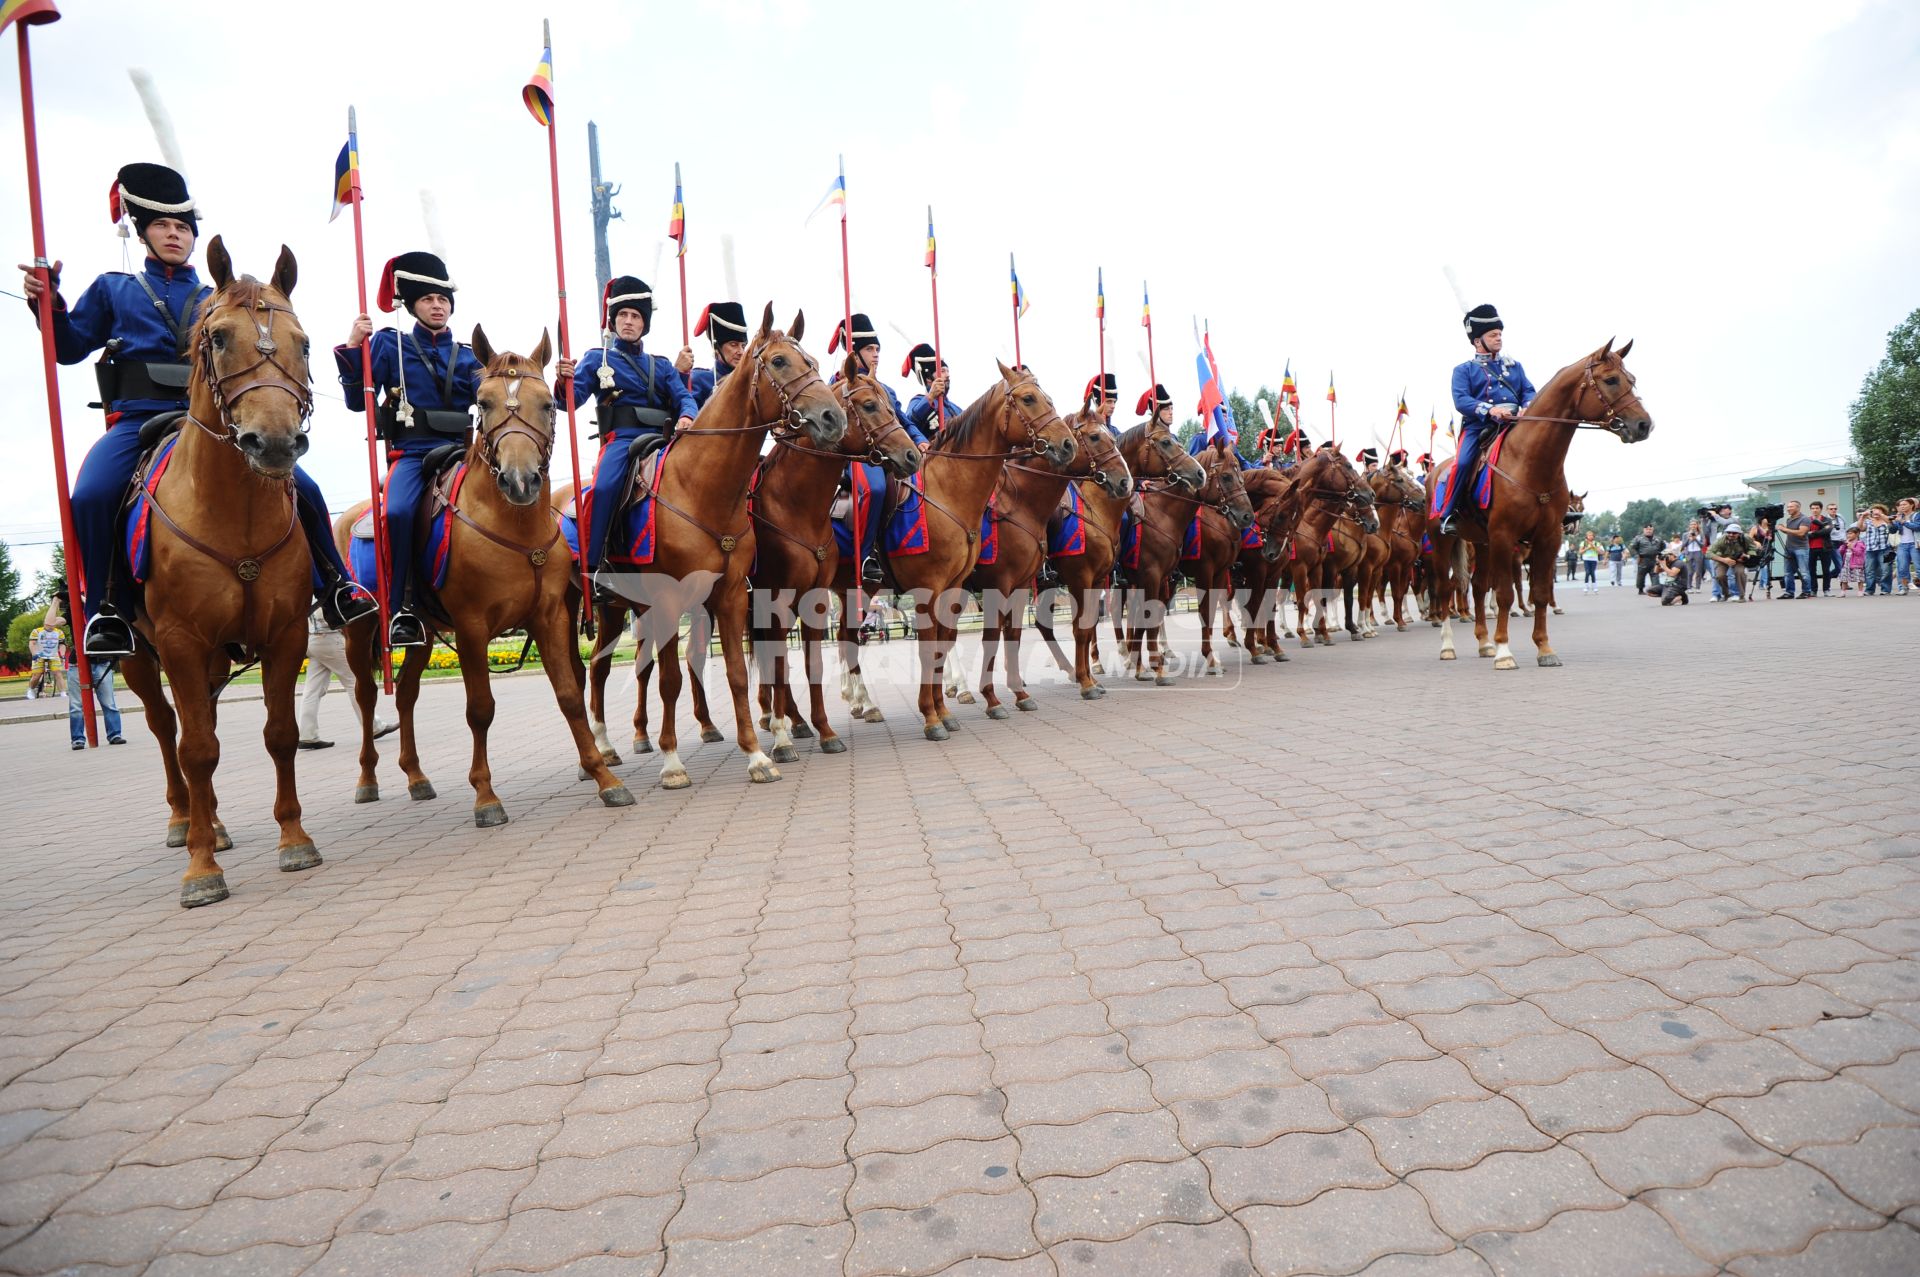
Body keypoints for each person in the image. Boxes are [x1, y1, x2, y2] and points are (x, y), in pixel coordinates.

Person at [24, 163, 373, 658]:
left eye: (183, 228)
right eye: (163, 226)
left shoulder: (220, 300)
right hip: (137, 420)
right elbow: (69, 346)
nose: (174, 235)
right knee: (91, 494)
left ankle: (335, 585)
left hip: (213, 423)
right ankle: (108, 607)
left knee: (306, 487)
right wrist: (49, 305)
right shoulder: (113, 289)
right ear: (143, 231)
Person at [337, 251, 486, 647]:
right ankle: (403, 607)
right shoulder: (389, 345)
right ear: (411, 304)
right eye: (427, 299)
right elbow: (357, 401)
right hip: (414, 456)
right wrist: (355, 347)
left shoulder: (469, 357)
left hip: (461, 454)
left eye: (443, 300)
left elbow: (490, 400)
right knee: (400, 511)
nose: (437, 306)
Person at [549, 276, 698, 590]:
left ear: (645, 324)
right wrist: (564, 381)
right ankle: (595, 564)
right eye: (623, 316)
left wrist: (687, 415)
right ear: (612, 321)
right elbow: (568, 403)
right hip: (623, 441)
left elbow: (684, 397)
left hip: (665, 440)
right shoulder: (596, 359)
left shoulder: (662, 366)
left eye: (636, 316)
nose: (629, 322)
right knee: (604, 488)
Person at [1436, 303, 1536, 534]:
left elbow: (1528, 391)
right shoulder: (1463, 370)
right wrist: (1489, 410)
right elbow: (1461, 400)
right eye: (1493, 335)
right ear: (1477, 341)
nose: (1499, 338)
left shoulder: (1515, 367)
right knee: (1462, 463)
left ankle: (1557, 505)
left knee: (1545, 448)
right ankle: (1449, 512)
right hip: (1479, 427)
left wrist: (1527, 407)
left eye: (1500, 334)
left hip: (1514, 424)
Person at [297, 612, 397, 749]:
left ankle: (307, 735)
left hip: (313, 639)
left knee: (312, 690)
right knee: (355, 682)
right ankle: (373, 726)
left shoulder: (309, 591)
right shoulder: (323, 590)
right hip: (330, 638)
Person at [688, 300, 748, 410]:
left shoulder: (751, 383)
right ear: (717, 347)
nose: (741, 352)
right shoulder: (700, 379)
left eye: (743, 346)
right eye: (733, 345)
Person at [66, 653, 125, 749]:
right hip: (77, 664)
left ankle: (115, 734)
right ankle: (77, 739)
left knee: (109, 703)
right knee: (76, 706)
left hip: (101, 662)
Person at [902, 343, 959, 439]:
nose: (948, 375)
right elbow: (909, 424)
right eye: (942, 371)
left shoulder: (956, 408)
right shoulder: (917, 402)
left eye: (947, 371)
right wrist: (930, 397)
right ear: (928, 378)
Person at [1707, 520, 1755, 603]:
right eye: (1729, 532)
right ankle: (1726, 593)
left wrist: (1747, 556)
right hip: (1724, 559)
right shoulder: (1721, 539)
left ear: (1739, 533)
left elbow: (1753, 548)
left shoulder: (1746, 538)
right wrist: (1724, 560)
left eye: (1734, 533)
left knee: (1739, 573)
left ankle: (1741, 595)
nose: (1731, 535)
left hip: (1739, 560)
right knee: (1720, 576)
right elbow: (1708, 553)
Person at [1778, 500, 1811, 598]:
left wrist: (1785, 529)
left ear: (1798, 508)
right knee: (1788, 572)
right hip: (1789, 548)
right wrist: (1783, 529)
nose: (1788, 509)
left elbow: (1801, 533)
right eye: (1788, 507)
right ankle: (1789, 592)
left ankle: (1806, 591)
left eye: (1791, 507)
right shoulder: (1789, 519)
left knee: (1804, 572)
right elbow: (1790, 532)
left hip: (1801, 548)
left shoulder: (1804, 519)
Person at [1860, 505, 1893, 596]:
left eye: (1878, 511)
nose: (1875, 513)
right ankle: (1869, 590)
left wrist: (1881, 515)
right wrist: (1862, 517)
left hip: (1886, 548)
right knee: (1869, 570)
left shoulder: (1886, 521)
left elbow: (1892, 526)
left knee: (1886, 569)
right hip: (1870, 549)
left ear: (1883, 512)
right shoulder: (1868, 521)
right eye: (1873, 511)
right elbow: (1860, 528)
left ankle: (1885, 589)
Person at [1805, 501, 1834, 596]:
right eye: (1813, 508)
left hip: (1825, 547)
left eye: (1817, 508)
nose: (1815, 510)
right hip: (1810, 548)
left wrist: (1812, 533)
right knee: (1811, 570)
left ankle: (1826, 589)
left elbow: (1827, 530)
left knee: (1826, 570)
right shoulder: (1806, 520)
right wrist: (1821, 530)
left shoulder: (1827, 519)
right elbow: (1805, 534)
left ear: (1821, 509)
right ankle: (1814, 590)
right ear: (1810, 509)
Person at [1893, 497, 1919, 595]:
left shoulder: (1917, 515)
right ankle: (1904, 588)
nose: (1902, 506)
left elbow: (1917, 526)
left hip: (1915, 544)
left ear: (1912, 505)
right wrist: (1893, 522)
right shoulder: (1900, 517)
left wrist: (1903, 522)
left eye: (1904, 504)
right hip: (1903, 544)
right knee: (1902, 568)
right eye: (1901, 505)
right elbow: (1893, 530)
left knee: (1918, 567)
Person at [1629, 523, 1664, 594]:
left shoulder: (1658, 538)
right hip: (1643, 559)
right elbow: (1631, 547)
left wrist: (1659, 554)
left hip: (1654, 559)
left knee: (1655, 574)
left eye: (1650, 529)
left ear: (1653, 530)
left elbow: (1663, 546)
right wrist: (1636, 556)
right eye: (1647, 529)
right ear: (1644, 530)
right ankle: (1640, 589)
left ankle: (1655, 589)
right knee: (1641, 575)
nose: (1649, 531)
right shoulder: (1638, 538)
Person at [1682, 521, 1707, 590]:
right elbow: (1683, 545)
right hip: (1689, 553)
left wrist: (1695, 539)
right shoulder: (1685, 534)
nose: (1693, 526)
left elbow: (1703, 545)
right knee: (1689, 572)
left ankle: (1698, 587)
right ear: (1689, 526)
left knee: (1698, 571)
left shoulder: (1701, 534)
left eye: (1694, 524)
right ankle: (1689, 587)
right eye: (1691, 524)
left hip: (1698, 552)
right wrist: (1689, 538)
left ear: (1697, 525)